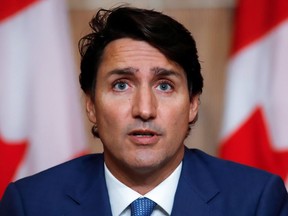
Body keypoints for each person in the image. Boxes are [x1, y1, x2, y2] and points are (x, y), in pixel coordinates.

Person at [0, 5, 287, 216]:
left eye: (164, 86)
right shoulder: (30, 204)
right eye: (122, 85)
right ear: (91, 105)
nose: (145, 110)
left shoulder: (257, 202)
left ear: (193, 104)